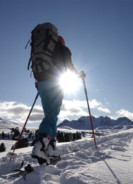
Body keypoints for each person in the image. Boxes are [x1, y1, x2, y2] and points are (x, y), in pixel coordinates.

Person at [30, 23, 85, 165]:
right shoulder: (63, 49)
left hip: (41, 84)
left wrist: (40, 82)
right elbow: (70, 67)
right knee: (52, 114)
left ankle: (52, 148)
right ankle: (41, 145)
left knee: (50, 114)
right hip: (54, 83)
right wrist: (80, 75)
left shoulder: (41, 48)